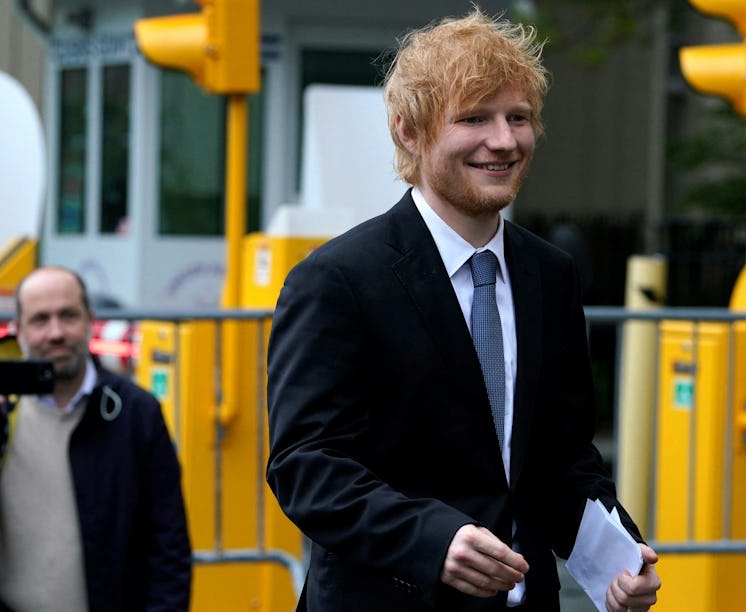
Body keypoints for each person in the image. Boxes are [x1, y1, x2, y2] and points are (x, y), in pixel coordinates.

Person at [266, 8, 660, 612]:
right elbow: (307, 467)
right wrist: (432, 539)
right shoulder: (336, 280)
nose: (503, 140)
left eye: (518, 118)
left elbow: (563, 458)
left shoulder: (550, 275)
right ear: (408, 132)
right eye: (474, 118)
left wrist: (620, 559)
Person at [0, 266, 192, 611]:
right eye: (40, 320)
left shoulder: (136, 412)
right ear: (18, 331)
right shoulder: (4, 413)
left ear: (90, 320)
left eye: (68, 315)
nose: (56, 333)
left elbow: (169, 543)